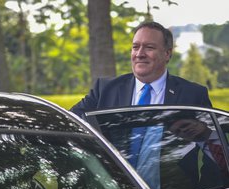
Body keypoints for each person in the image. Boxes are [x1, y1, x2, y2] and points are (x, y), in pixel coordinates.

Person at [70, 21, 212, 118]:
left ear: (167, 53)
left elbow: (214, 149)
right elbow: (70, 123)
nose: (139, 54)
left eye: (149, 47)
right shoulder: (104, 90)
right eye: (135, 47)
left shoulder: (194, 96)